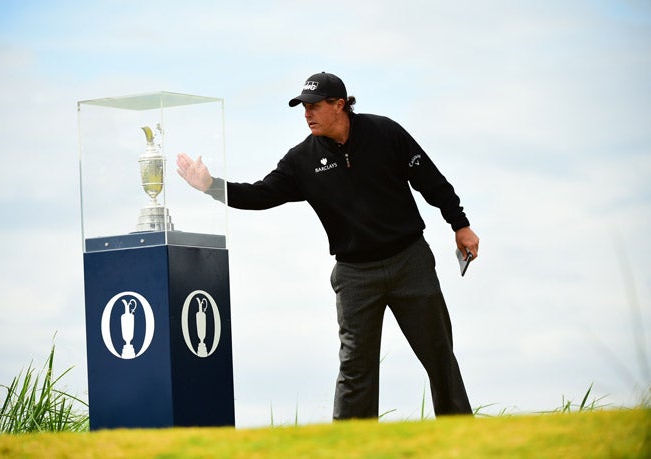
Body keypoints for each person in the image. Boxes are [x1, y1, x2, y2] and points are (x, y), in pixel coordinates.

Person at [176, 72, 479, 419]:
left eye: (315, 106)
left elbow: (431, 181)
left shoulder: (385, 133)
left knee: (439, 354)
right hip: (355, 275)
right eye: (304, 108)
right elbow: (259, 194)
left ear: (340, 105)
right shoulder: (301, 160)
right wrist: (211, 186)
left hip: (409, 261)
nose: (308, 114)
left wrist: (460, 224)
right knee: (355, 368)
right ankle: (349, 448)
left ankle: (460, 436)